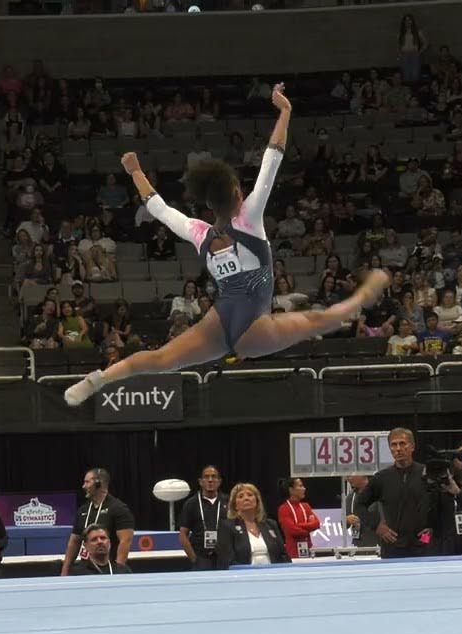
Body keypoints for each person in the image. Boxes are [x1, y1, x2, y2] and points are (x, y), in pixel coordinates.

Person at [64, 84, 390, 406]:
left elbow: (158, 208)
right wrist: (286, 111)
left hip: (219, 323)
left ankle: (99, 379)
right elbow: (272, 159)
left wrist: (134, 171)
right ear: (236, 194)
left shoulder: (199, 232)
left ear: (209, 204)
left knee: (160, 358)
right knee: (321, 320)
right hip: (254, 326)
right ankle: (364, 295)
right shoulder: (249, 218)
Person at [357, 427, 434, 558]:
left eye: (403, 443)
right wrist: (376, 525)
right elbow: (359, 505)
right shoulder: (382, 478)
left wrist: (434, 527)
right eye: (394, 444)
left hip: (423, 544)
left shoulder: (427, 474)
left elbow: (442, 504)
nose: (398, 448)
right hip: (392, 546)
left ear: (412, 446)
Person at [60, 468, 135, 576]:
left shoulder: (119, 509)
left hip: (109, 568)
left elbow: (125, 542)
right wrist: (64, 572)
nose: (83, 486)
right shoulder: (83, 510)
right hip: (86, 568)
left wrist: (118, 573)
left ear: (98, 484)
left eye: (87, 482)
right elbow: (74, 542)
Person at [215, 483, 291, 568]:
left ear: (257, 501)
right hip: (244, 577)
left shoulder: (270, 524)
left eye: (250, 495)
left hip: (272, 574)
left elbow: (283, 556)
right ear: (235, 505)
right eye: (241, 496)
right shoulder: (227, 527)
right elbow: (226, 561)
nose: (246, 498)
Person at [178, 465, 228, 570]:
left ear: (219, 481)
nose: (210, 480)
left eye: (214, 477)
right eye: (206, 477)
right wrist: (194, 559)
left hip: (225, 559)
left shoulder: (228, 502)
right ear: (200, 481)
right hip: (200, 558)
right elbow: (183, 535)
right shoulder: (191, 503)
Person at [277, 477, 321, 559]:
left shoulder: (306, 506)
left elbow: (317, 524)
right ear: (291, 490)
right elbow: (292, 530)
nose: (304, 488)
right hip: (292, 554)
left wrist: (299, 525)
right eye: (300, 486)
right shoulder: (283, 509)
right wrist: (308, 528)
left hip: (308, 550)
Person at [69, 525, 133, 576]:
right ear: (85, 546)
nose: (100, 542)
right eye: (94, 539)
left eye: (103, 538)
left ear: (109, 542)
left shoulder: (123, 571)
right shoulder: (77, 572)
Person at [343, 474, 381, 548]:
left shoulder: (379, 493)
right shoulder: (351, 497)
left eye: (350, 476)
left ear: (361, 474)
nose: (347, 479)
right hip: (359, 546)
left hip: (379, 545)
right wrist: (347, 520)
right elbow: (343, 525)